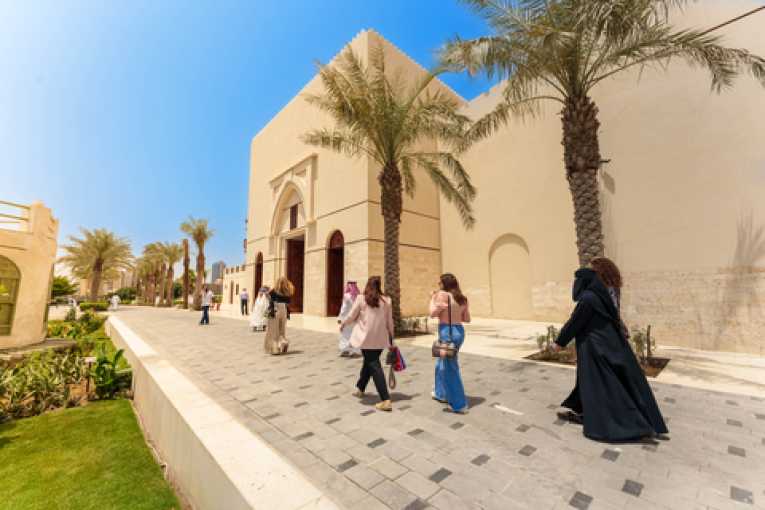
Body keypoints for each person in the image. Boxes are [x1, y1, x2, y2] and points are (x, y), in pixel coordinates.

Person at [553, 258, 668, 442]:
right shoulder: (611, 291)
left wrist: (559, 343)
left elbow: (575, 322)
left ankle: (631, 425)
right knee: (613, 381)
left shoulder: (589, 298)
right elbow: (614, 315)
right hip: (613, 342)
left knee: (602, 384)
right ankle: (586, 412)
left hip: (595, 346)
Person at [340, 276, 394, 412]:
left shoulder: (361, 298)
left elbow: (352, 315)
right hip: (380, 339)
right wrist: (392, 338)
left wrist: (343, 323)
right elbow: (390, 322)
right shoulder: (387, 300)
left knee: (374, 364)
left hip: (365, 338)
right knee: (369, 362)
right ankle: (360, 388)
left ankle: (385, 399)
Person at [429, 273, 471, 414]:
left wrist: (432, 298)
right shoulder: (462, 298)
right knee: (442, 362)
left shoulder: (443, 295)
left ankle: (459, 405)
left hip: (447, 332)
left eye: (440, 282)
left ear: (444, 284)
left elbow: (433, 313)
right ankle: (440, 393)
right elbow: (467, 318)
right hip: (459, 332)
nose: (438, 284)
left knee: (450, 367)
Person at [264, 277, 293, 355]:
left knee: (274, 331)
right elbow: (288, 302)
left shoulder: (274, 291)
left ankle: (275, 349)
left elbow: (267, 296)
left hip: (275, 310)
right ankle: (284, 343)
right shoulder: (288, 291)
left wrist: (270, 290)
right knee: (282, 330)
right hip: (284, 310)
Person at [337, 281, 361, 357]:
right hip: (355, 318)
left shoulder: (346, 296)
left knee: (345, 335)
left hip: (347, 319)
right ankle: (356, 351)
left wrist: (340, 318)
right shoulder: (358, 295)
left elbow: (343, 308)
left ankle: (345, 350)